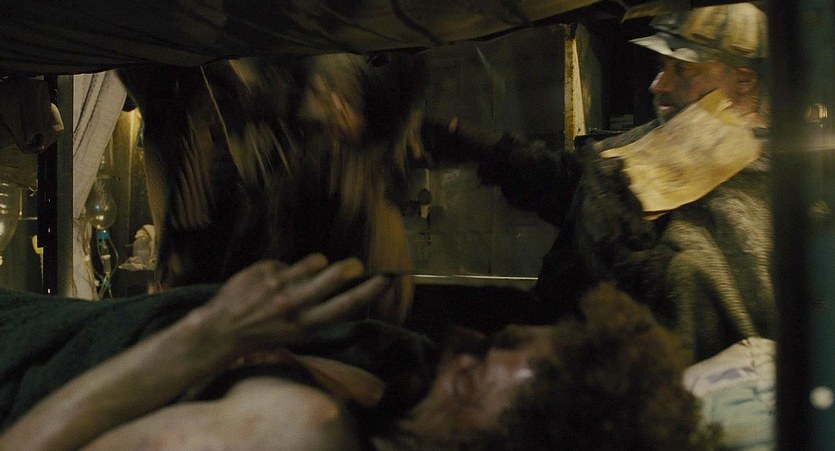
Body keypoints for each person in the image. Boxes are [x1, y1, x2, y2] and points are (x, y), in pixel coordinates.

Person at [0, 254, 723, 450]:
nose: (473, 348)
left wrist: (205, 338)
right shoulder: (392, 380)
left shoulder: (293, 431)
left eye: (489, 362)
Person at [422, 2, 774, 361]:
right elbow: (570, 185)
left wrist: (632, 257)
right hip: (575, 358)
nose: (658, 85)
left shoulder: (769, 185)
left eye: (682, 69)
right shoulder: (650, 142)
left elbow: (707, 303)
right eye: (661, 66)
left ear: (744, 80)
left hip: (661, 380)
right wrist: (479, 145)